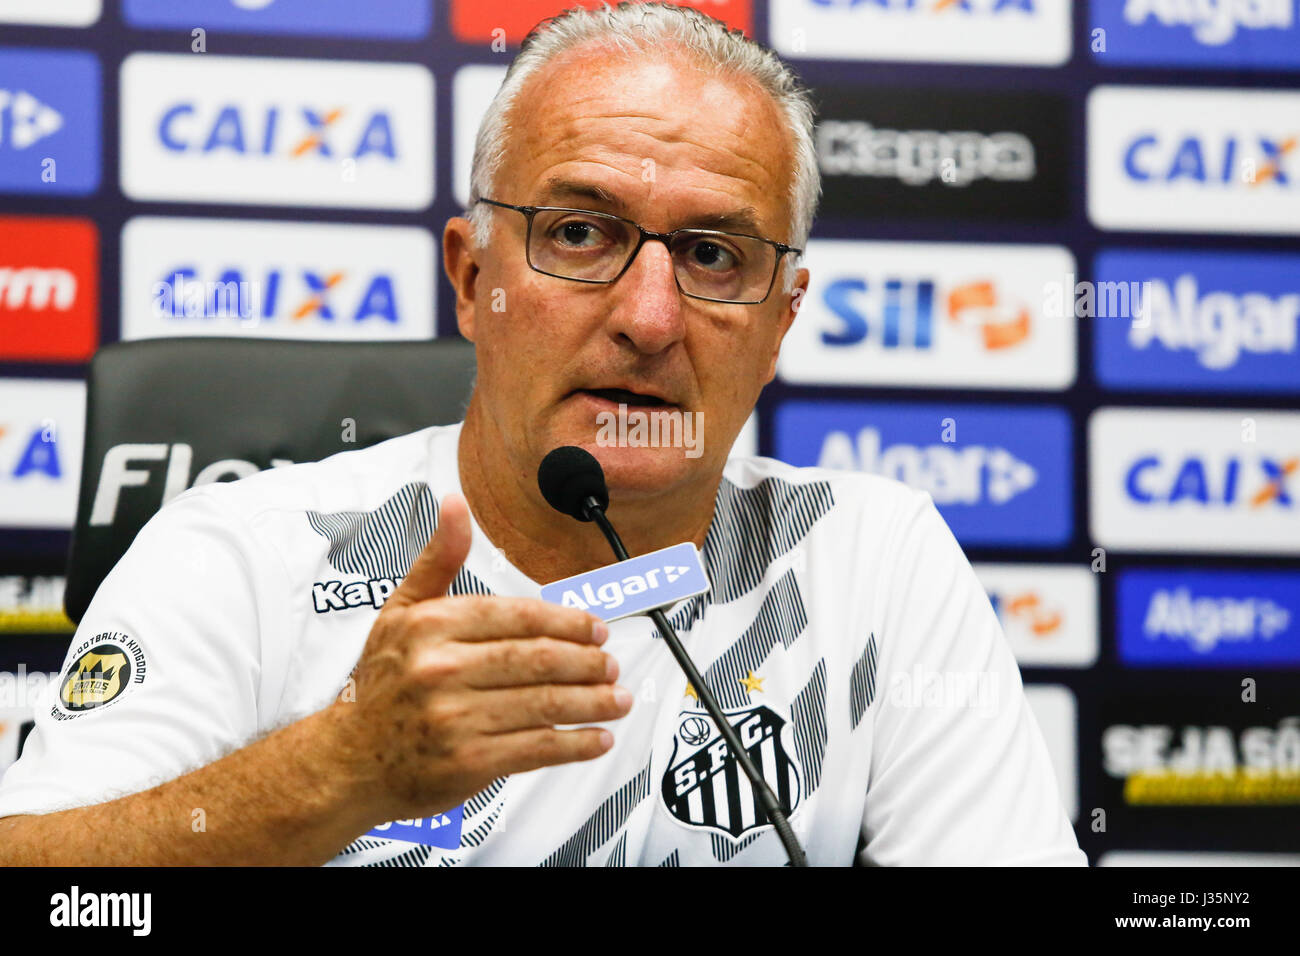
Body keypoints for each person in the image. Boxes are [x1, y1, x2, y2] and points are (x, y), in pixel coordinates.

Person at [0, 2, 1085, 866]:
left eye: (715, 256)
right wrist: (337, 769)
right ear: (474, 282)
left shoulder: (872, 558)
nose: (649, 317)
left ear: (779, 322)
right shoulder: (242, 552)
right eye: (579, 233)